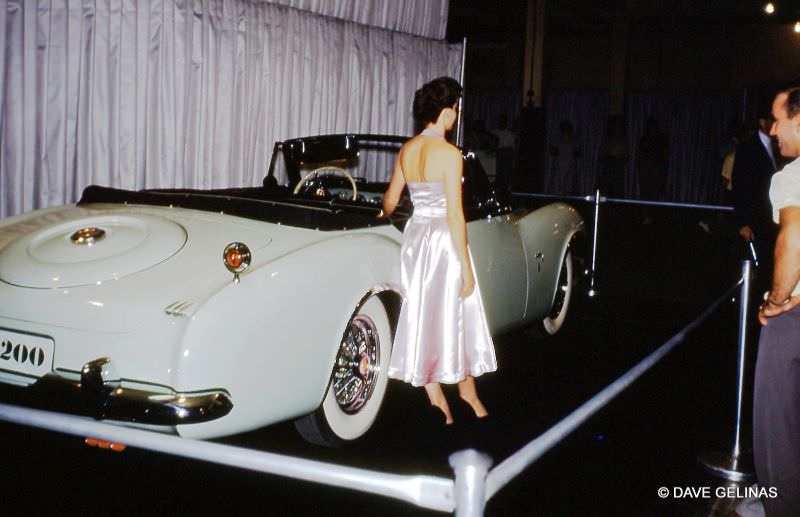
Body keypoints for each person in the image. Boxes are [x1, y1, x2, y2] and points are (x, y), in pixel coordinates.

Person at [381, 77, 497, 425]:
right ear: (447, 112)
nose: (457, 117)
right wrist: (466, 264)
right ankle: (469, 398)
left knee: (424, 314)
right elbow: (454, 214)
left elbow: (390, 201)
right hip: (444, 241)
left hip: (416, 239)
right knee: (456, 314)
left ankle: (440, 405)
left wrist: (380, 216)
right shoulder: (449, 154)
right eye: (456, 110)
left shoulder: (407, 149)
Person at [754, 87, 800, 517]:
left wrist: (776, 300)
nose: (772, 130)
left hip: (794, 318)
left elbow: (794, 238)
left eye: (778, 118)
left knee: (776, 430)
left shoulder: (791, 176)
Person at [732, 113, 777, 276]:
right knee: (755, 266)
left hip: (774, 219)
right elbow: (740, 186)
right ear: (762, 121)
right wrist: (743, 222)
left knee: (771, 264)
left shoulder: (779, 147)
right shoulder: (747, 148)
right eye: (772, 120)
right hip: (755, 218)